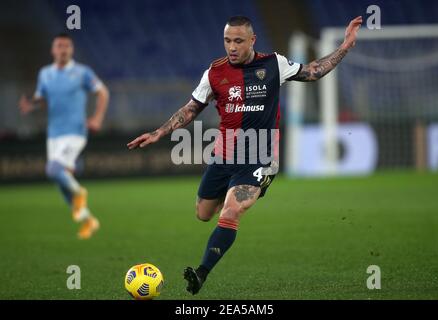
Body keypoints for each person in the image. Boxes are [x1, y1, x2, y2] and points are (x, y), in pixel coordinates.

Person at [127, 15, 362, 294]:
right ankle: (224, 212)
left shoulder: (274, 64)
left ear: (252, 40)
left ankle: (202, 273)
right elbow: (191, 108)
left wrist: (345, 46)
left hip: (260, 156)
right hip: (224, 155)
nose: (232, 47)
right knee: (203, 214)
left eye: (238, 41)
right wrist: (160, 132)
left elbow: (313, 71)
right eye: (227, 41)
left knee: (232, 210)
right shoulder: (214, 73)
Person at [19, 33, 109, 239]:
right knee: (61, 180)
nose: (63, 49)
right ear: (53, 50)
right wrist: (30, 105)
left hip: (75, 131)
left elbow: (102, 92)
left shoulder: (82, 72)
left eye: (67, 46)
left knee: (53, 169)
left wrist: (97, 118)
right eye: (59, 46)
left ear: (72, 50)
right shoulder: (45, 74)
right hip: (54, 135)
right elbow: (41, 99)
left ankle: (80, 193)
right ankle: (88, 220)